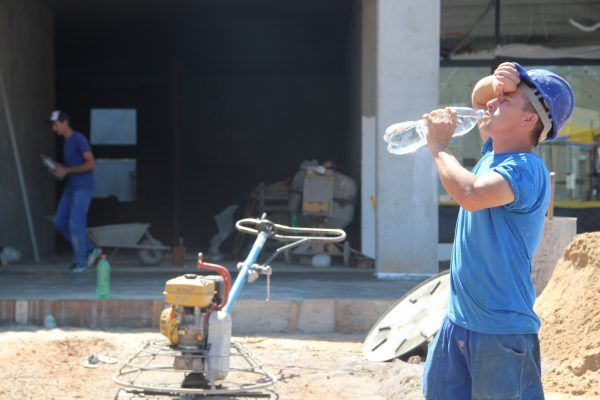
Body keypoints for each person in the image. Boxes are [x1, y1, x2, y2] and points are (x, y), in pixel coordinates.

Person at [421, 63, 574, 399]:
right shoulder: (494, 153)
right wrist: (499, 82)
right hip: (458, 322)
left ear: (529, 120)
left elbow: (471, 195)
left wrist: (439, 146)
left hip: (500, 332)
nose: (491, 103)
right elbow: (479, 98)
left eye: (505, 100)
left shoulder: (525, 168)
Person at [49, 110, 101, 273]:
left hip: (83, 186)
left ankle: (81, 262)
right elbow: (70, 167)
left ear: (65, 123)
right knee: (59, 221)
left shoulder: (78, 139)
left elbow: (91, 163)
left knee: (75, 223)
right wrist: (59, 169)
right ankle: (89, 248)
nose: (53, 128)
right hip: (71, 187)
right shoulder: (66, 142)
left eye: (55, 124)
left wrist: (67, 170)